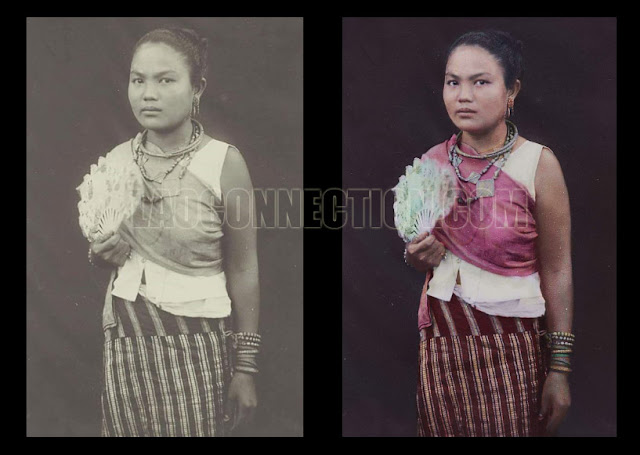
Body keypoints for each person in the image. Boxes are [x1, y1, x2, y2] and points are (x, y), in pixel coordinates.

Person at [86, 27, 260, 437]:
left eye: (165, 80)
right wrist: (100, 253)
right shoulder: (115, 163)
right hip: (127, 347)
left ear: (197, 87)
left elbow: (244, 268)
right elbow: (105, 256)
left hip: (199, 349)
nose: (148, 93)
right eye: (138, 79)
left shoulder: (224, 164)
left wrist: (246, 367)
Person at [404, 30, 573, 437]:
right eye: (453, 81)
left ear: (511, 90)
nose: (464, 95)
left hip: (513, 349)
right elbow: (419, 255)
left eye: (481, 82)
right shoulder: (432, 165)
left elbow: (557, 269)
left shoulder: (538, 164)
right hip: (443, 346)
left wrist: (559, 369)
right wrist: (415, 257)